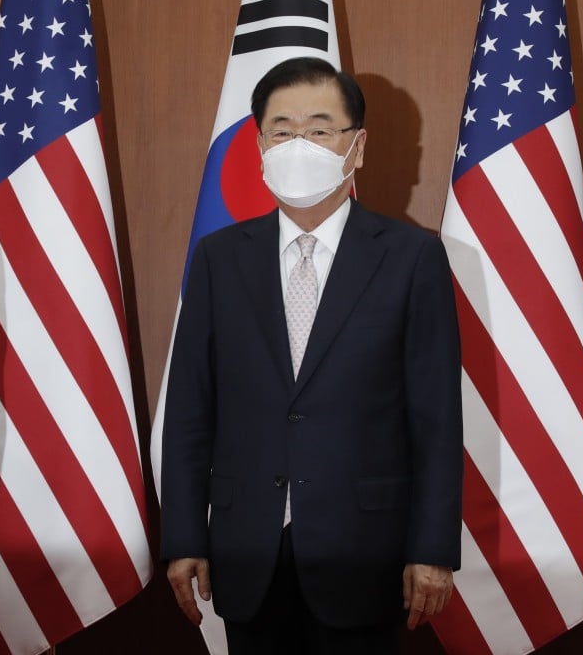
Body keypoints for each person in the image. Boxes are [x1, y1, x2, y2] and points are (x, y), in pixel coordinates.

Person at [160, 57, 463, 654]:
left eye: (320, 129)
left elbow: (435, 420)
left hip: (366, 551)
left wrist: (431, 550)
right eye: (282, 130)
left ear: (357, 146)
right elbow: (191, 411)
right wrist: (185, 536)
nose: (299, 144)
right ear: (260, 144)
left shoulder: (410, 258)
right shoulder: (221, 259)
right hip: (246, 550)